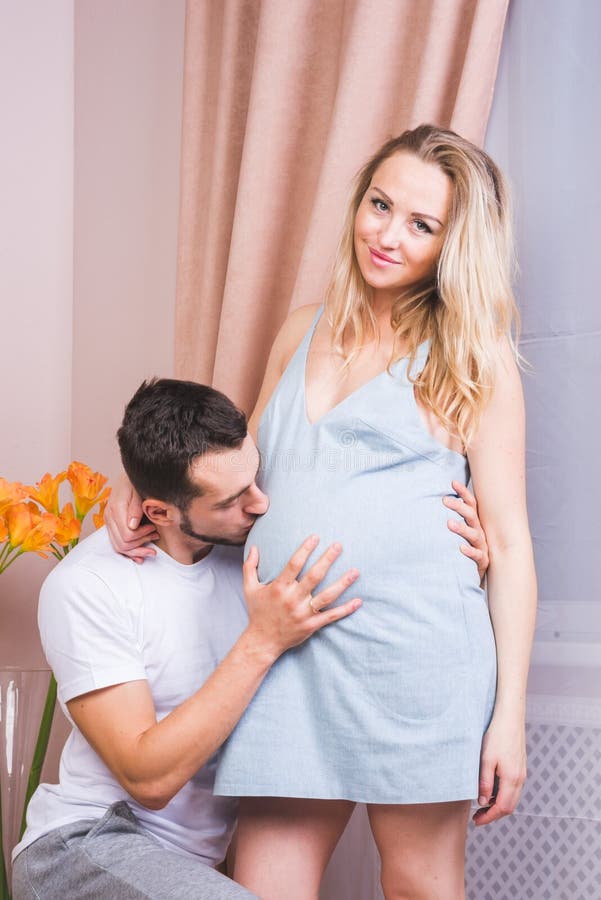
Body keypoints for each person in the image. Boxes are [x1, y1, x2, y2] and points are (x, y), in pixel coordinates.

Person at [208, 124, 537, 900]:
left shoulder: (473, 353)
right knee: (260, 887)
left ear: (453, 244)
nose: (387, 235)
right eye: (379, 204)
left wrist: (508, 719)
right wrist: (150, 503)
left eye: (421, 224)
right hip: (286, 656)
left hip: (415, 657)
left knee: (421, 883)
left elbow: (512, 544)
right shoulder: (299, 326)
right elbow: (241, 484)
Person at [12, 379, 364, 900]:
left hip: (184, 868)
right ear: (158, 511)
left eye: (255, 475)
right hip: (83, 845)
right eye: (232, 499)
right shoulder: (90, 585)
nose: (261, 503)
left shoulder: (249, 547)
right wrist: (262, 642)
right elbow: (147, 780)